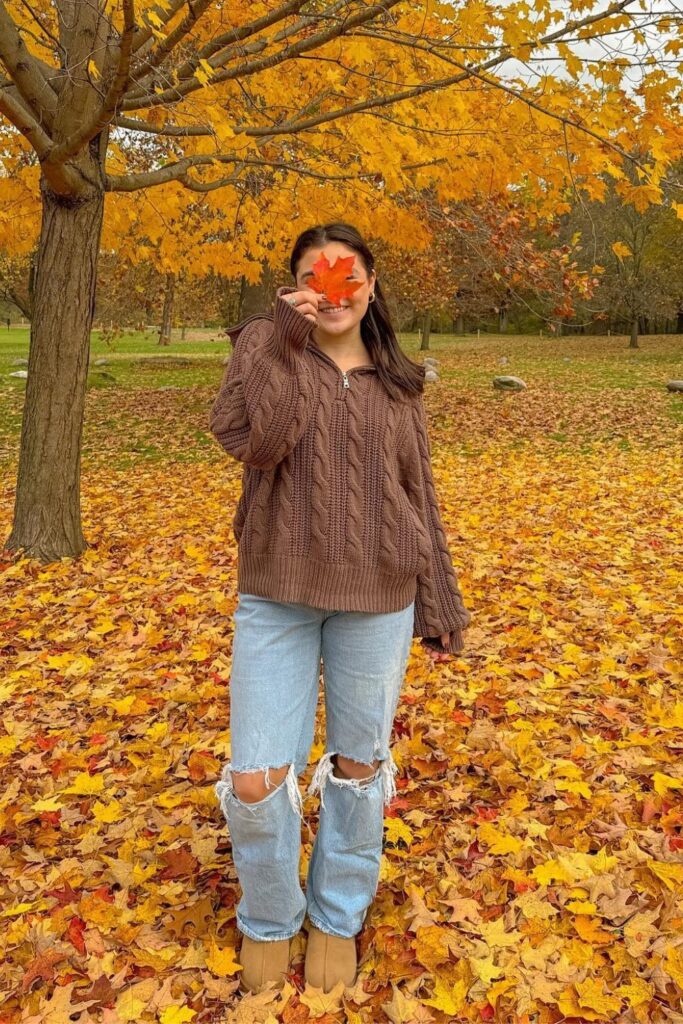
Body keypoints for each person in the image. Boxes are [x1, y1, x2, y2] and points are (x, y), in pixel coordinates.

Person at [210, 222, 471, 994]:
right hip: (276, 597)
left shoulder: (398, 382)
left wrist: (441, 598)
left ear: (371, 284)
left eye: (347, 277)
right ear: (293, 286)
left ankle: (337, 913)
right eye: (314, 278)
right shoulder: (262, 347)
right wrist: (282, 337)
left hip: (378, 595)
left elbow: (417, 495)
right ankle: (270, 917)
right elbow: (259, 443)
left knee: (359, 768)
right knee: (256, 777)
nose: (332, 291)